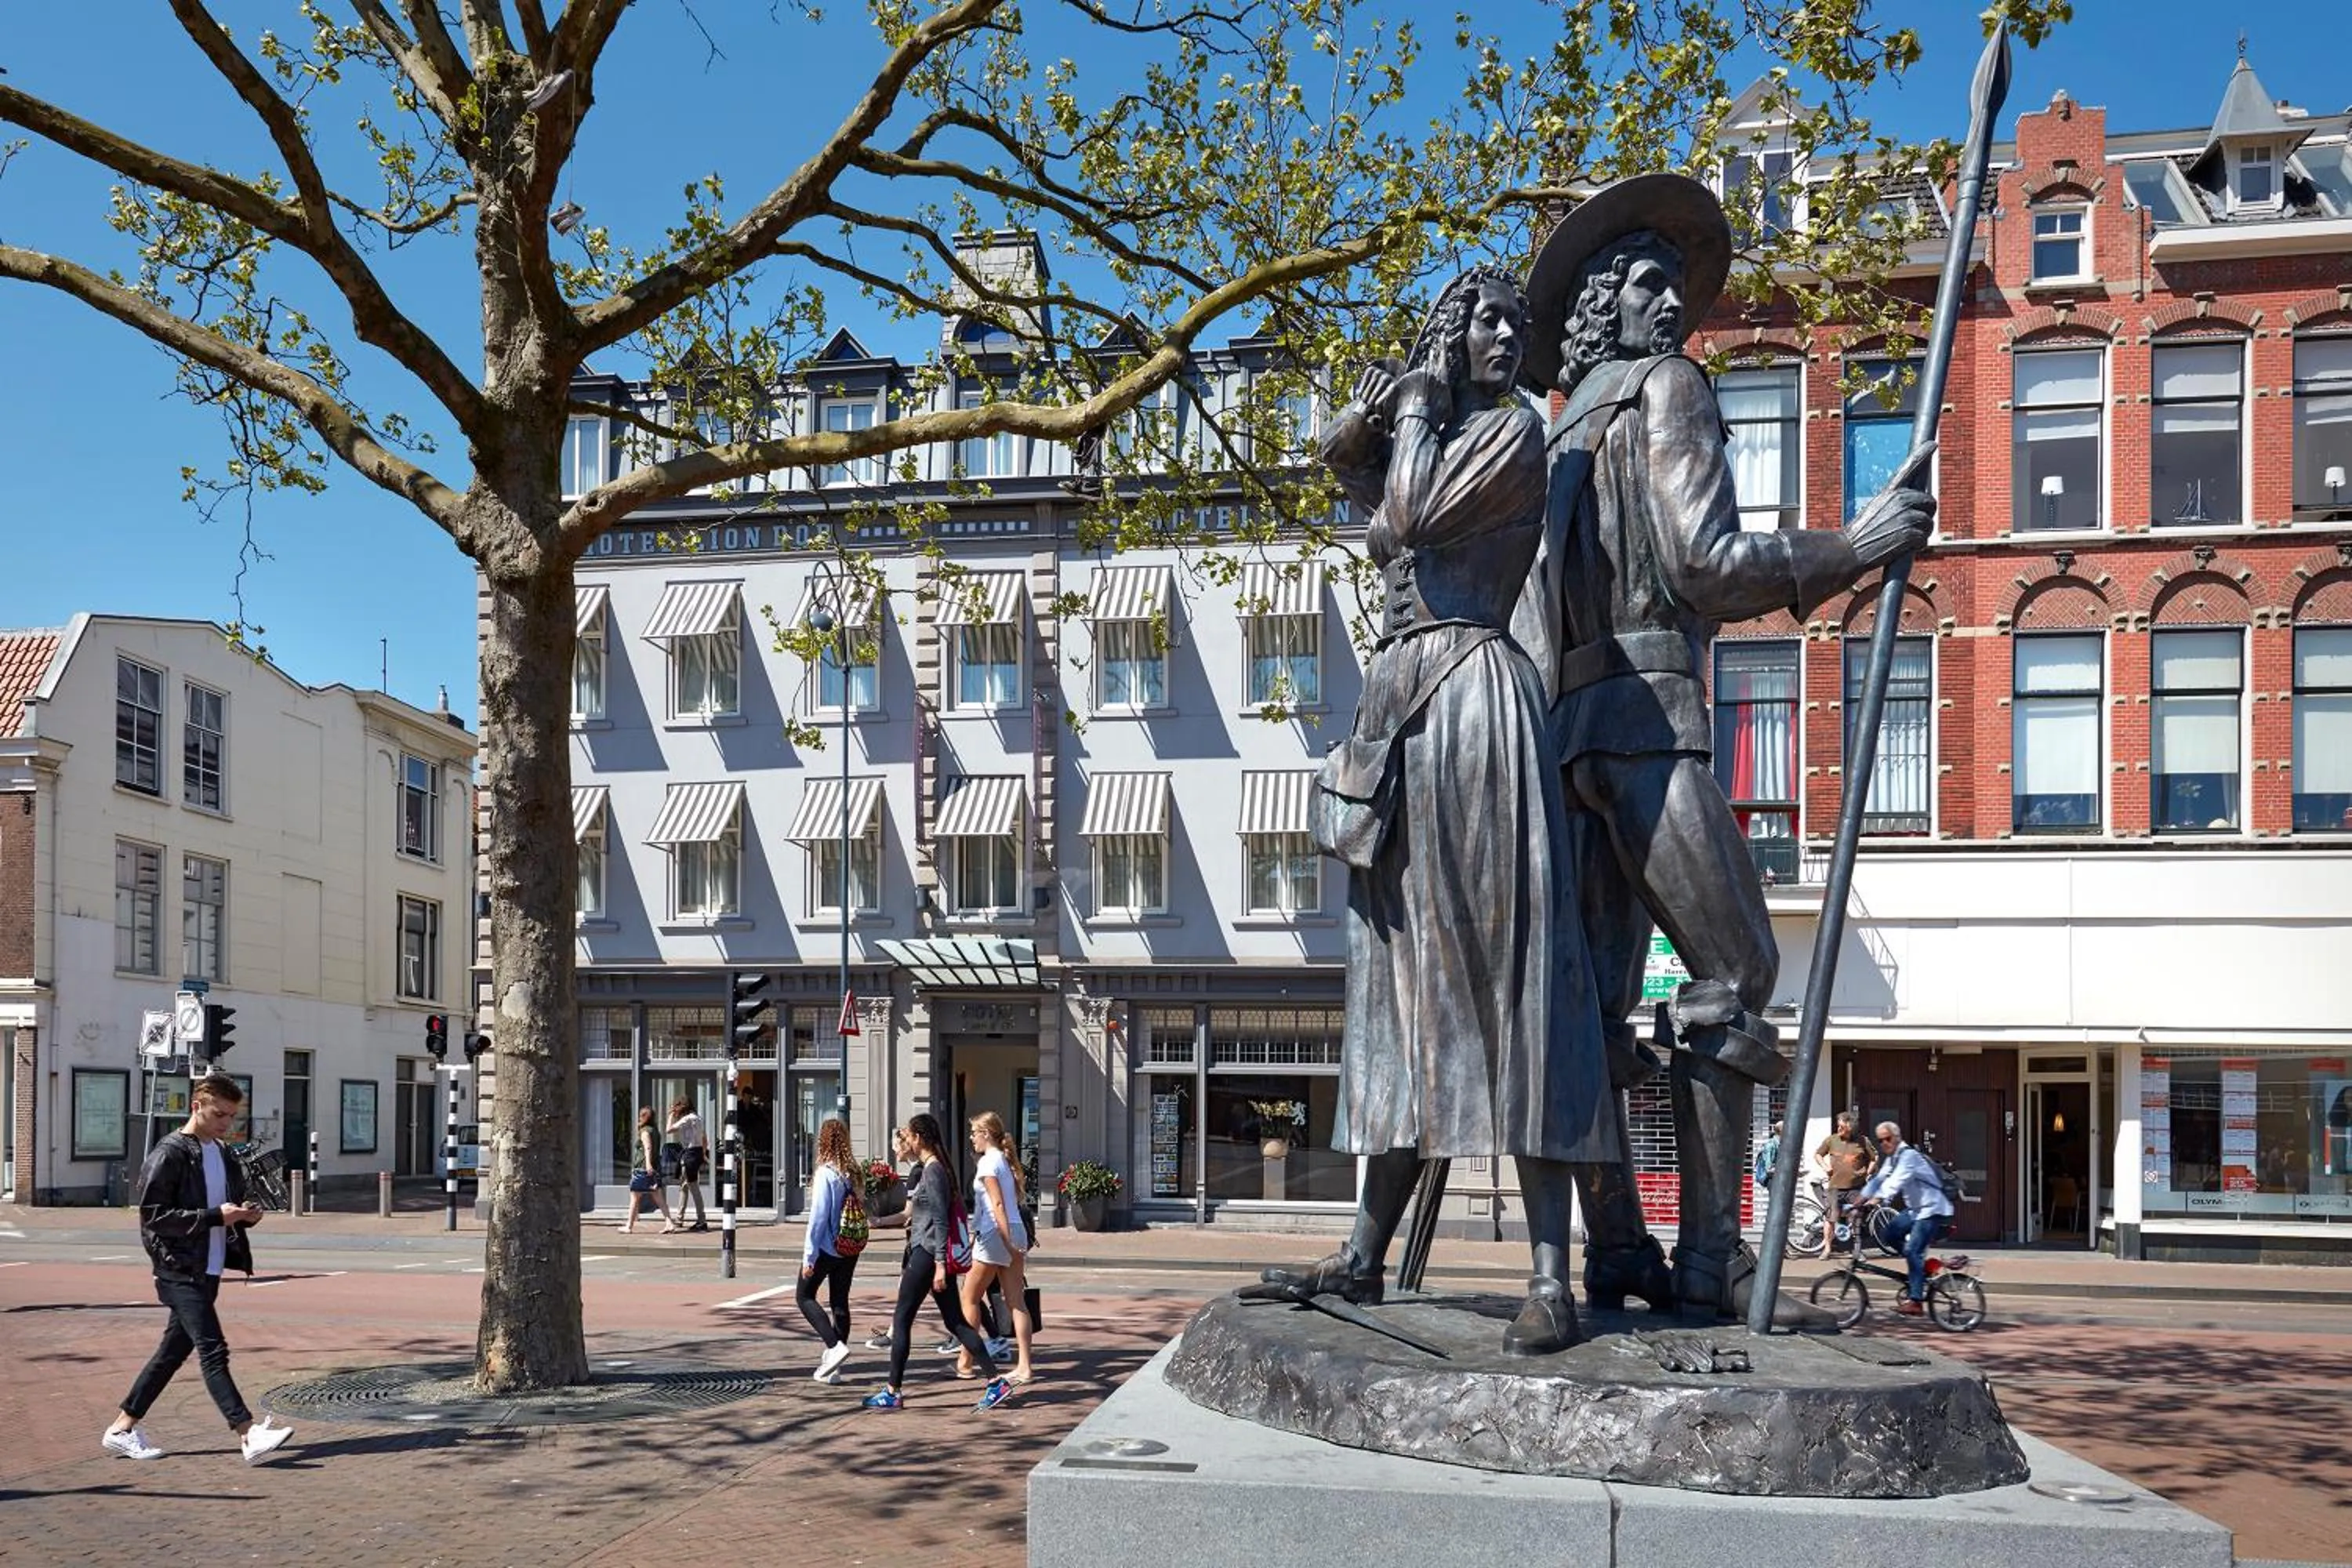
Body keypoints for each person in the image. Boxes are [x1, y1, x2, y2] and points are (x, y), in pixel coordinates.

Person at [1509, 172, 1936, 1323]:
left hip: (1566, 744)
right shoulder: (1671, 389)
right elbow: (1704, 562)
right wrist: (1850, 544)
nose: (1670, 304)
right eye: (1646, 282)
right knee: (1735, 976)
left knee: (1595, 1008)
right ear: (1607, 305)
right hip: (1648, 723)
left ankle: (1614, 1254)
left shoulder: (1556, 432)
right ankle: (1709, 1265)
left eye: (1671, 284)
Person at [1255, 263, 1612, 1359]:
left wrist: (1415, 409)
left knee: (1517, 981)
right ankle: (1366, 1252)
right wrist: (1384, 405)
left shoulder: (1509, 434)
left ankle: (1553, 1274)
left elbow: (1406, 508)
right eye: (1487, 319)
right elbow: (1350, 480)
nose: (1510, 335)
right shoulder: (1444, 426)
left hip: (1473, 703)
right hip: (1399, 710)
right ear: (1453, 332)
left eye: (1520, 320)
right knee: (1397, 1000)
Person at [101, 1073, 294, 1465]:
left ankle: (121, 1428)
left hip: (209, 1267)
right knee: (213, 1349)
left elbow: (228, 1207)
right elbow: (154, 1216)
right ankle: (247, 1433)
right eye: (220, 1115)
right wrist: (214, 1217)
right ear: (197, 1106)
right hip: (177, 1269)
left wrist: (245, 1216)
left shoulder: (221, 1153)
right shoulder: (170, 1152)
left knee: (172, 1353)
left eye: (232, 1117)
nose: (226, 1124)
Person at [862, 1113, 1009, 1411]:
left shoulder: (933, 1172)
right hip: (928, 1253)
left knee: (902, 1319)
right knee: (955, 1321)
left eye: (909, 1135)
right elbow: (918, 1215)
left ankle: (893, 1391)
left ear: (919, 1138)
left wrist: (941, 1264)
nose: (906, 1140)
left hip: (926, 1254)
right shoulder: (934, 1169)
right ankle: (996, 1381)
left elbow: (941, 1221)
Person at [960, 1111, 1036, 1385]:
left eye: (974, 1133)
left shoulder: (987, 1163)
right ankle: (1025, 1367)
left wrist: (1005, 1242)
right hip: (1013, 1229)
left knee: (969, 1297)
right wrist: (1014, 1241)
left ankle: (966, 1361)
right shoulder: (1002, 1160)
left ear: (986, 1134)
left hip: (995, 1233)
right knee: (1016, 1301)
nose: (972, 1139)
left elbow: (996, 1205)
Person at [1854, 1120, 1956, 1316]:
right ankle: (1919, 1269)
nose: (1884, 1143)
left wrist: (1875, 1200)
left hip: (1932, 1209)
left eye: (1887, 1139)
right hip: (1916, 1210)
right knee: (1890, 1234)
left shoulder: (1909, 1156)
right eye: (1881, 1140)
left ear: (1897, 1137)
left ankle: (1916, 1301)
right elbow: (1880, 1178)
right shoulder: (1893, 1158)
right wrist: (1861, 1198)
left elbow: (1895, 1182)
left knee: (1912, 1250)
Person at [798, 1117, 862, 1383]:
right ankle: (834, 1369)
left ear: (822, 1141)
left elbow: (818, 1218)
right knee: (840, 1301)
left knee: (804, 1296)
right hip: (850, 1246)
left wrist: (809, 1256)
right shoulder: (852, 1172)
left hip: (827, 1247)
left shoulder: (826, 1173)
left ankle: (834, 1347)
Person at [1815, 1111, 1877, 1242]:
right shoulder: (1831, 1140)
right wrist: (1826, 1167)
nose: (1838, 1129)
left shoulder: (1863, 1141)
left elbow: (1874, 1158)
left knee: (1857, 1217)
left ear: (1850, 1127)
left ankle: (1857, 1250)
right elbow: (1818, 1154)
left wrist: (1868, 1172)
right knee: (1830, 1218)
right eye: (1838, 1126)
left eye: (1841, 1127)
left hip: (1856, 1188)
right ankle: (1826, 1248)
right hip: (1835, 1187)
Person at [622, 1105, 681, 1234]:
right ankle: (669, 1223)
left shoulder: (645, 1132)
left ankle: (629, 1226)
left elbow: (647, 1148)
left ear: (644, 1117)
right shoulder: (655, 1131)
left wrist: (648, 1164)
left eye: (640, 1116)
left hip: (643, 1169)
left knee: (634, 1196)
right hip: (654, 1168)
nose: (638, 1118)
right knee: (658, 1197)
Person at [667, 1097, 710, 1231]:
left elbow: (669, 1130)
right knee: (685, 1186)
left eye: (677, 1107)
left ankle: (701, 1220)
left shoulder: (687, 1119)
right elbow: (704, 1138)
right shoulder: (699, 1118)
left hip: (690, 1154)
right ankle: (680, 1218)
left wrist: (671, 1116)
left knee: (693, 1187)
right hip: (696, 1153)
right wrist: (703, 1154)